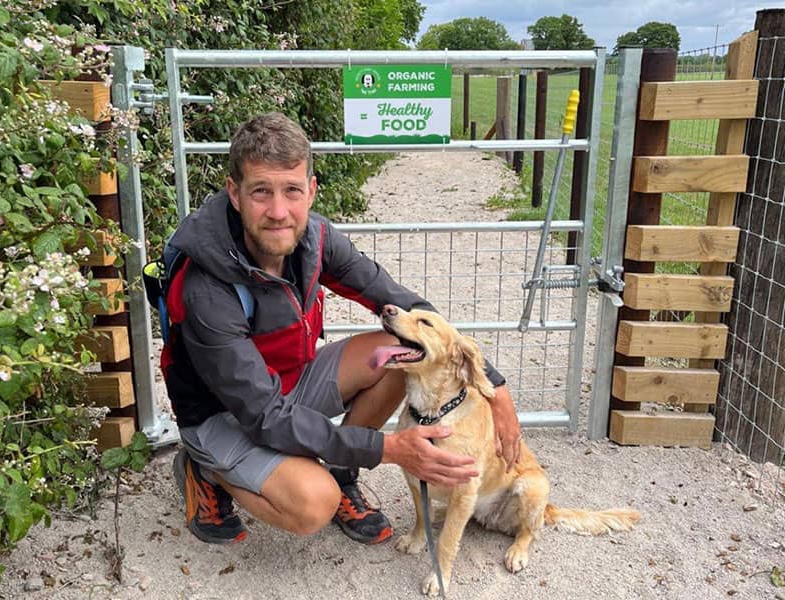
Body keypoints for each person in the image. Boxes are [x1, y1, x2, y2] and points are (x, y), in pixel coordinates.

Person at [164, 112, 523, 546]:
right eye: (261, 192)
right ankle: (205, 468)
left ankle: (340, 470)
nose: (279, 212)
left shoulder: (315, 238)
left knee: (401, 346)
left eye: (292, 191)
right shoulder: (207, 284)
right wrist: (388, 449)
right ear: (235, 193)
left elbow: (404, 304)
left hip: (287, 386)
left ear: (311, 192)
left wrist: (494, 387)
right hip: (225, 414)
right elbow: (263, 417)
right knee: (315, 502)